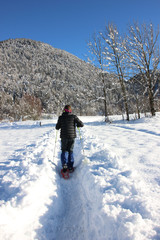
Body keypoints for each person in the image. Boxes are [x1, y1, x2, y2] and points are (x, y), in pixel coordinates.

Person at [56, 105, 84, 172]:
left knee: (64, 150)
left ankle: (64, 164)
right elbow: (81, 124)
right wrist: (77, 124)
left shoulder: (61, 117)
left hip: (64, 137)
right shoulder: (74, 117)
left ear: (64, 110)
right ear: (70, 110)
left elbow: (57, 127)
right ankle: (70, 166)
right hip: (72, 137)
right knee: (70, 151)